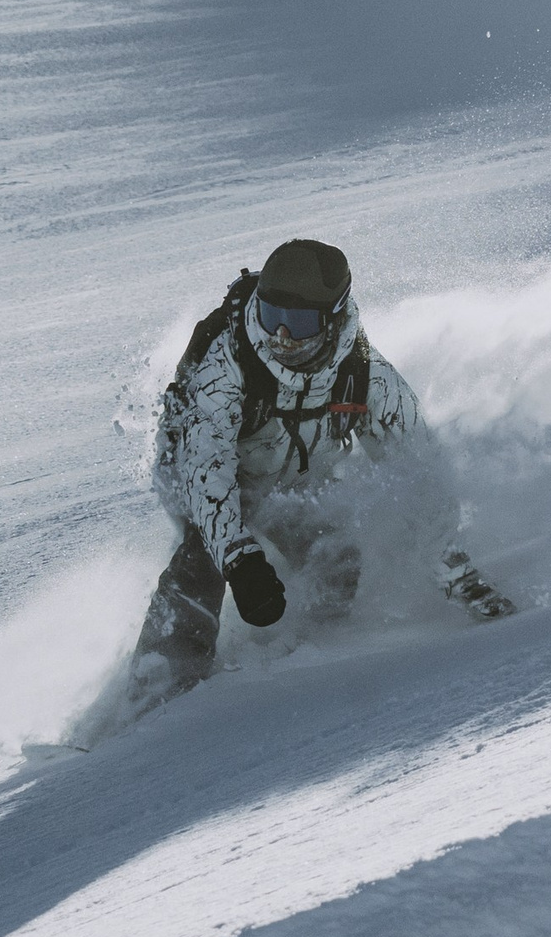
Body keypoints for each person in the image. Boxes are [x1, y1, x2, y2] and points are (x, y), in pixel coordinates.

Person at [127, 237, 512, 719]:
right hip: (199, 474)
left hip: (291, 481)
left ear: (332, 319)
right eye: (270, 316)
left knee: (337, 556)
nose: (282, 336)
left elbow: (416, 478)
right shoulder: (225, 368)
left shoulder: (366, 377)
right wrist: (241, 561)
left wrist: (459, 577)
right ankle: (160, 686)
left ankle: (313, 656)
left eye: (301, 322)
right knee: (204, 558)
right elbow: (208, 473)